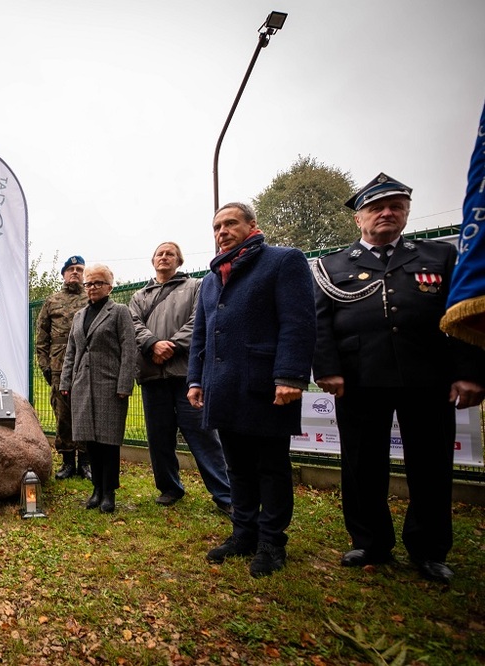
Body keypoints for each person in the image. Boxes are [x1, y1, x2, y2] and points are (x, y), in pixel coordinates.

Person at [312, 173, 485, 584]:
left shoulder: (439, 257)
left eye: (396, 206)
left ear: (406, 213)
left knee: (431, 465)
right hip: (359, 379)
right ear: (359, 218)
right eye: (376, 207)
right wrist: (328, 368)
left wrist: (468, 373)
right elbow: (319, 324)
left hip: (426, 378)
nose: (386, 213)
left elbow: (463, 317)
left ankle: (429, 549)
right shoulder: (332, 266)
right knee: (361, 464)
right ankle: (370, 541)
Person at [187, 202, 315, 577]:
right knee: (238, 466)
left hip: (265, 386)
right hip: (222, 387)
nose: (222, 231)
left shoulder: (283, 261)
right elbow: (201, 334)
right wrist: (196, 379)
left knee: (270, 467)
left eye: (230, 223)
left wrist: (291, 376)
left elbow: (298, 322)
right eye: (216, 227)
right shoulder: (212, 278)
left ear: (251, 225)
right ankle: (244, 533)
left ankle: (272, 542)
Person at [129, 242, 231, 514]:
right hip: (152, 375)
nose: (164, 257)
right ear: (153, 260)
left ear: (179, 261)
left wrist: (170, 346)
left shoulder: (196, 286)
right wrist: (152, 344)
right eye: (160, 253)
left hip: (187, 374)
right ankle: (170, 488)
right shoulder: (139, 295)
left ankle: (224, 494)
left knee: (203, 435)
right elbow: (133, 324)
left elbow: (200, 321)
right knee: (159, 438)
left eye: (169, 253)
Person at [60, 263, 137, 514]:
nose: (92, 287)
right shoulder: (80, 316)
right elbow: (71, 351)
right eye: (89, 283)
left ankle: (109, 492)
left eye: (98, 283)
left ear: (109, 287)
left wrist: (125, 384)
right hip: (83, 384)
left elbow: (129, 350)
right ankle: (96, 489)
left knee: (109, 441)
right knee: (90, 440)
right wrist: (65, 382)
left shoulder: (119, 312)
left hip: (110, 386)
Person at [35, 255, 91, 480]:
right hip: (58, 368)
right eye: (71, 269)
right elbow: (42, 338)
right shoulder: (52, 302)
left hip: (86, 367)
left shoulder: (91, 299)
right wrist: (45, 367)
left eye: (79, 269)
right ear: (64, 274)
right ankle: (68, 462)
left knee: (86, 413)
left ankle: (86, 463)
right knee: (63, 415)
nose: (75, 272)